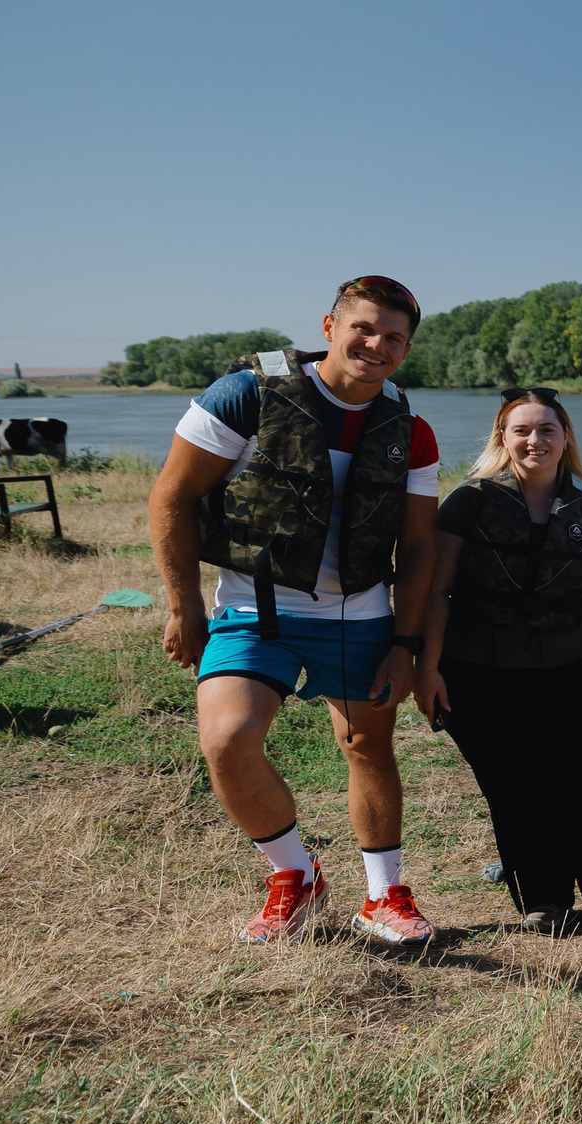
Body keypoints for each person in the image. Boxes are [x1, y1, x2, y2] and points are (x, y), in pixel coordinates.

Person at [148, 276, 440, 947]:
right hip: (256, 607)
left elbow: (419, 546)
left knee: (367, 745)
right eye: (364, 328)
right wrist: (183, 605)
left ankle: (383, 894)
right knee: (227, 741)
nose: (377, 345)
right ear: (330, 325)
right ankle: (294, 874)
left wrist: (406, 640)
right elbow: (171, 498)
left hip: (358, 614)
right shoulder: (246, 395)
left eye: (394, 337)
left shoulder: (410, 430)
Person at [413, 391, 582, 948]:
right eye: (521, 430)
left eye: (547, 429)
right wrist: (428, 667)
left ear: (565, 438)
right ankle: (543, 899)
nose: (534, 440)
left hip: (569, 668)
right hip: (478, 671)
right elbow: (439, 591)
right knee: (511, 785)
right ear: (502, 436)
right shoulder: (468, 502)